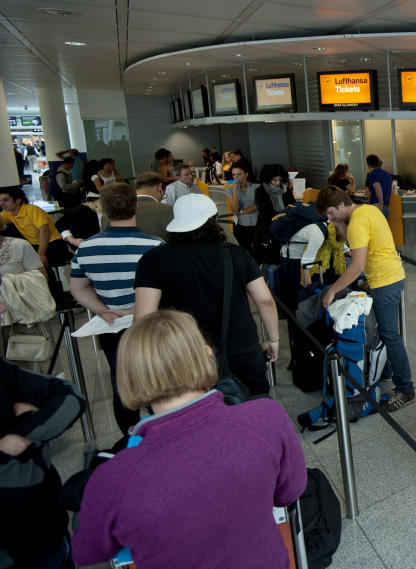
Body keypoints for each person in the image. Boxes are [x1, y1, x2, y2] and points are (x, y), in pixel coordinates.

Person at [71, 310, 307, 568]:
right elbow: (290, 491)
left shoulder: (113, 479)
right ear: (207, 355)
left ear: (128, 378)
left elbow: (86, 552)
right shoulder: (267, 417)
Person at [134, 194, 280, 396]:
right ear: (214, 220)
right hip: (241, 347)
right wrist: (273, 340)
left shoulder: (153, 260)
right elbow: (264, 300)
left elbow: (144, 318)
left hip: (185, 351)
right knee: (253, 408)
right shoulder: (236, 254)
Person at [70, 183, 163, 436]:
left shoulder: (86, 248)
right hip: (148, 324)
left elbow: (77, 288)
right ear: (135, 206)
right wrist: (135, 308)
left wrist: (103, 310)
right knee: (157, 380)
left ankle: (131, 439)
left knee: (121, 383)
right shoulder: (155, 246)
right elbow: (166, 287)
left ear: (103, 210)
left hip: (110, 326)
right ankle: (162, 435)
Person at [320, 189, 414, 411]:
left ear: (342, 204)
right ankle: (387, 372)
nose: (330, 217)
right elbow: (355, 245)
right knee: (383, 331)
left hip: (385, 281)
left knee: (390, 335)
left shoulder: (358, 223)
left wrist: (332, 290)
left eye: (332, 212)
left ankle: (406, 389)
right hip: (389, 276)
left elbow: (357, 265)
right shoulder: (367, 210)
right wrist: (338, 224)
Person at [1, 359, 84, 568]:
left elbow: (70, 397)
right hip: (15, 553)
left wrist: (22, 434)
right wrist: (30, 419)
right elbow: (19, 476)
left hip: (52, 529)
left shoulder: (3, 372)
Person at [0, 186, 71, 268]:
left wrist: (41, 254)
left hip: (53, 245)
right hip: (35, 245)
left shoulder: (32, 210)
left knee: (34, 268)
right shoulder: (8, 213)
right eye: (0, 200)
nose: (1, 204)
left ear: (18, 200)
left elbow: (45, 232)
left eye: (5, 200)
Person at [226, 161, 259, 254]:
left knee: (257, 249)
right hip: (241, 225)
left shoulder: (256, 187)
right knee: (245, 250)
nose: (236, 177)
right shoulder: (230, 189)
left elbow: (258, 205)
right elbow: (235, 209)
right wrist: (235, 191)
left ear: (246, 174)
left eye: (239, 174)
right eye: (234, 175)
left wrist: (242, 212)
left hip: (256, 223)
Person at [131, 172, 174, 239]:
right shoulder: (166, 210)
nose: (161, 199)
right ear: (160, 188)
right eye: (163, 196)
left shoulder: (116, 210)